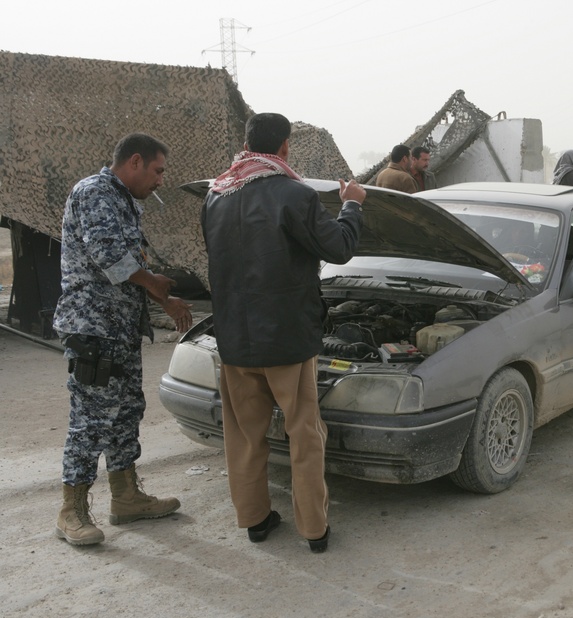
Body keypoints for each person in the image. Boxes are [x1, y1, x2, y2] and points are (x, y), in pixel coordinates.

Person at [201, 112, 365, 553]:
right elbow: (340, 248)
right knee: (305, 434)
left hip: (234, 338)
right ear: (286, 146)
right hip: (288, 340)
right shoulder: (295, 194)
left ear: (247, 144)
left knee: (245, 435)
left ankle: (255, 520)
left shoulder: (216, 195)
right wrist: (352, 204)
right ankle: (314, 529)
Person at [53, 133, 192, 546]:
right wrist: (154, 283)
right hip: (93, 330)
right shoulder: (94, 192)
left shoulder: (123, 199)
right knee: (91, 420)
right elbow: (109, 256)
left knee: (126, 411)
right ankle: (70, 511)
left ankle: (126, 497)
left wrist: (160, 298)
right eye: (157, 171)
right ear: (134, 161)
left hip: (120, 328)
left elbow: (129, 265)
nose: (161, 181)